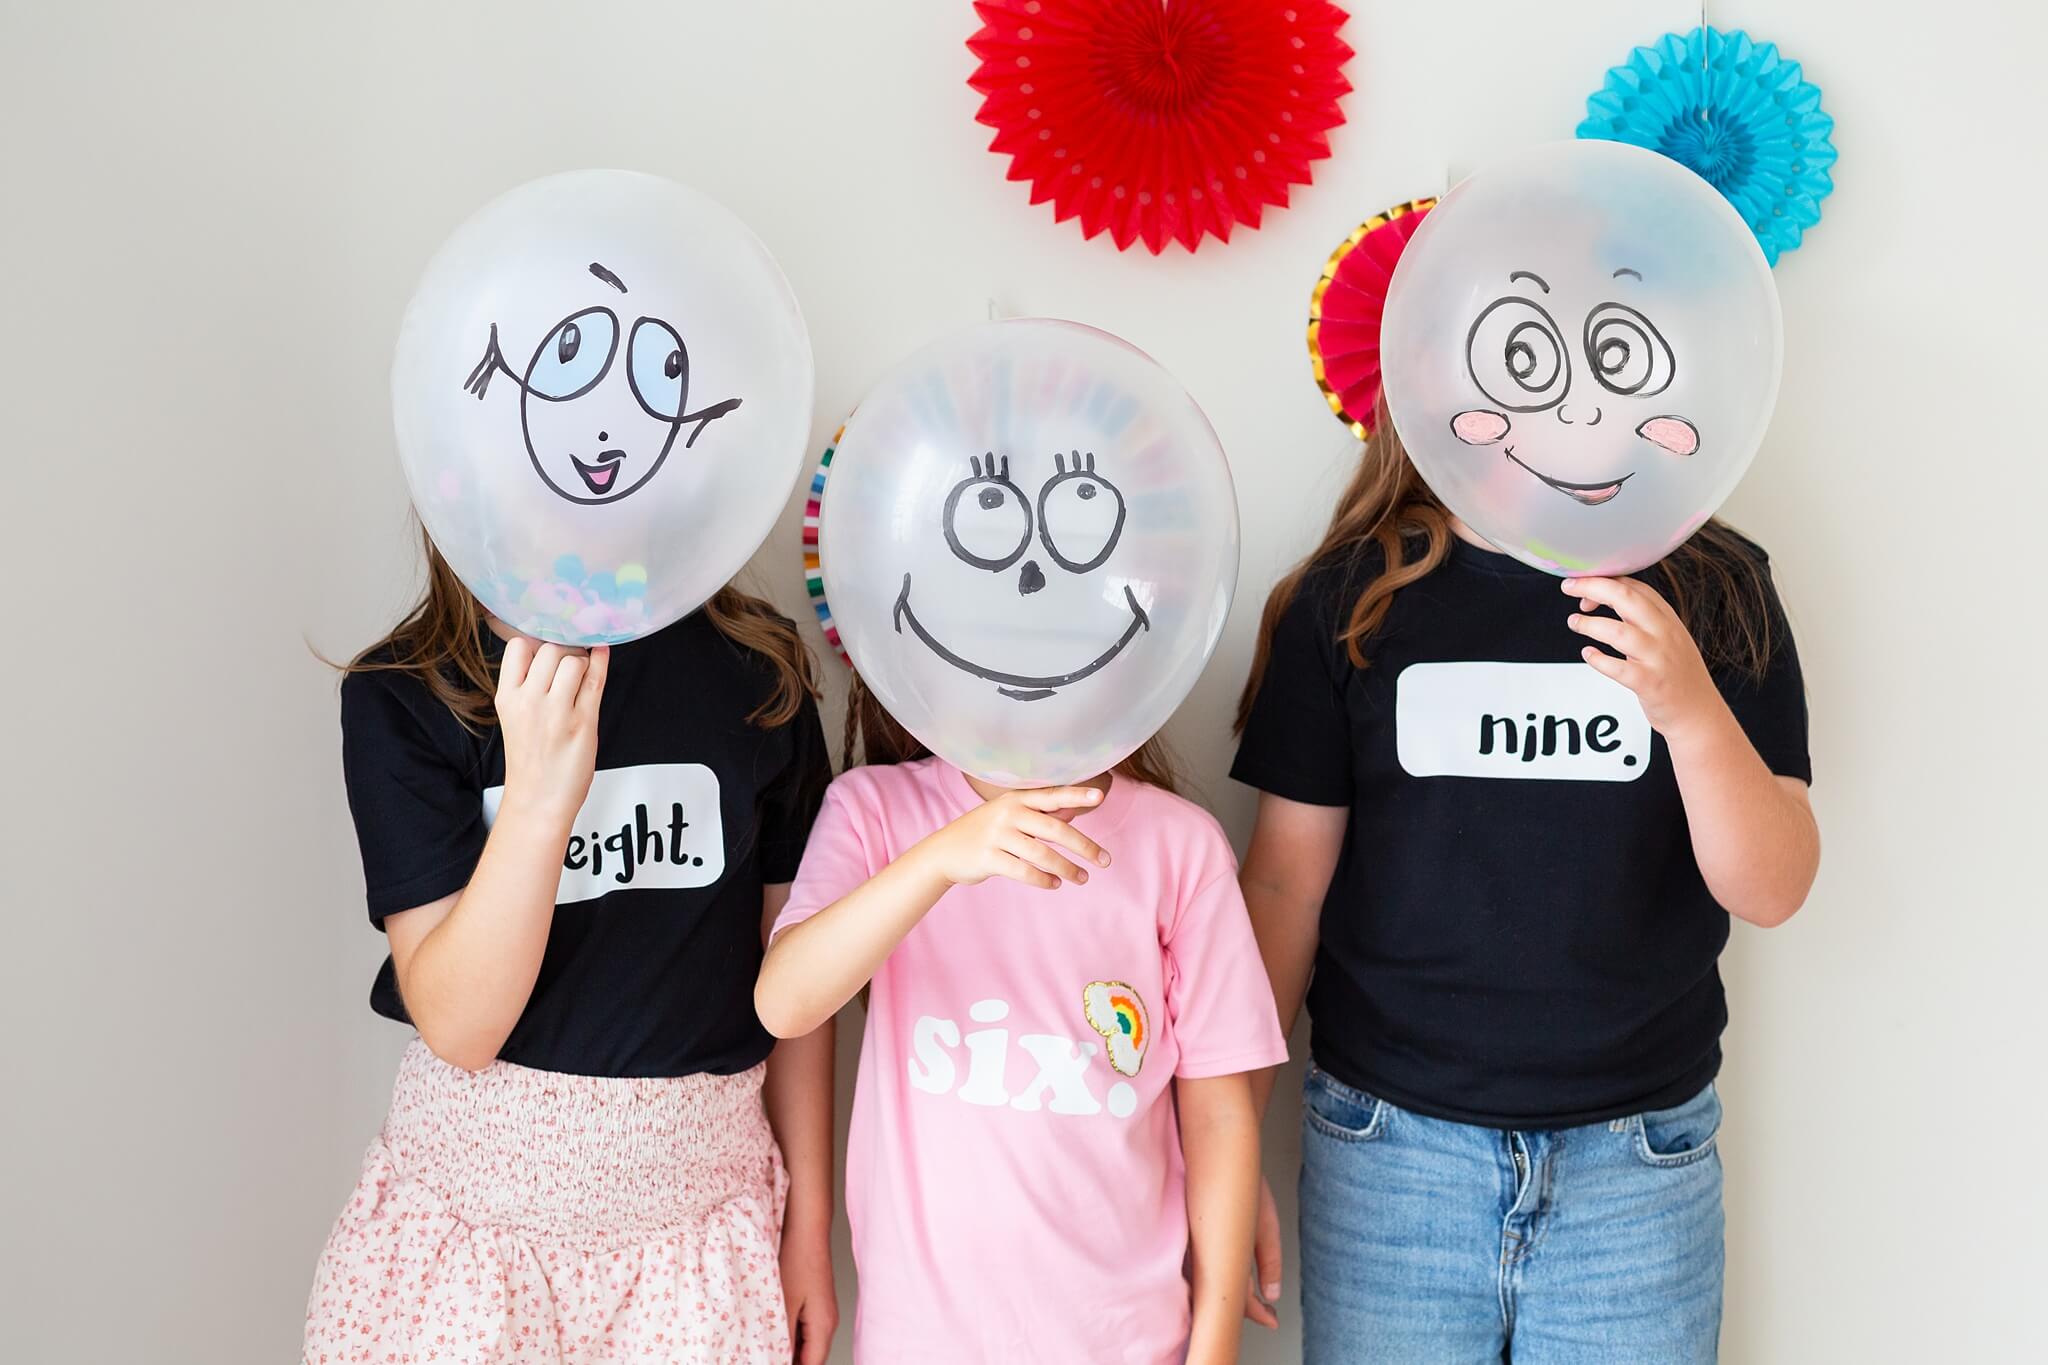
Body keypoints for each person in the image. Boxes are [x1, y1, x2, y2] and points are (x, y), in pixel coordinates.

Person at [1232, 410, 1819, 1363]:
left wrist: (1693, 714)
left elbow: (1775, 886)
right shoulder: (1353, 598)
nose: (1576, 407)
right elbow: (1286, 887)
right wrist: (1228, 1131)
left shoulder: (1716, 590)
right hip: (1390, 1163)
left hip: (1638, 1171)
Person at [304, 530, 839, 1364]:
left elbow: (800, 979)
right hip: (477, 1254)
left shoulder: (756, 673)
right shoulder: (404, 694)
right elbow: (460, 1027)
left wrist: (808, 1225)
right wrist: (541, 797)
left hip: (697, 1248)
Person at [754, 682, 1287, 1364]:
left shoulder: (1182, 847)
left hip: (1128, 1342)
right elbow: (785, 1001)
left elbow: (1220, 1115)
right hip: (921, 1344)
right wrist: (943, 857)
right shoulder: (871, 810)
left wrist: (1215, 1348)